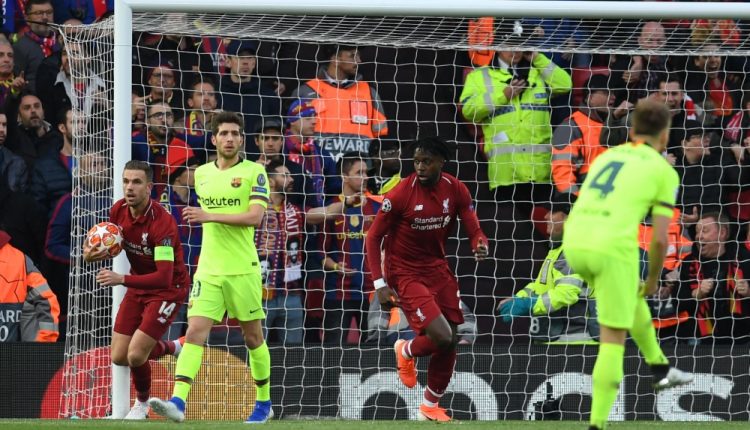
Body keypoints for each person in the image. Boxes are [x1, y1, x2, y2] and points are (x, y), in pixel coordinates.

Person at [562, 100, 693, 430]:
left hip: (574, 240)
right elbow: (660, 239)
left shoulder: (609, 156)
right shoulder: (663, 171)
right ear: (666, 136)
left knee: (630, 294)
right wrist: (654, 278)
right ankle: (597, 425)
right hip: (610, 248)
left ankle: (660, 367)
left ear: (632, 130)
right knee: (613, 341)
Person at [148, 111, 274, 424]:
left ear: (242, 139)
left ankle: (264, 403)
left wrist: (209, 216)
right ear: (214, 139)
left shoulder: (255, 172)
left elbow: (255, 217)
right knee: (194, 333)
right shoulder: (202, 174)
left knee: (253, 338)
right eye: (224, 133)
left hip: (243, 268)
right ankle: (178, 401)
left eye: (235, 133)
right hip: (208, 269)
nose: (230, 138)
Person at [364, 136, 489, 422]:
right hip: (405, 272)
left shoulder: (455, 189)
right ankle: (405, 349)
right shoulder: (400, 194)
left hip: (437, 268)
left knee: (451, 339)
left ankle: (429, 407)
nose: (419, 167)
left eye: (426, 161)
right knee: (442, 336)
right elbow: (373, 238)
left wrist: (480, 244)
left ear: (441, 162)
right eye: (416, 161)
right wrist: (380, 284)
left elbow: (474, 229)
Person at [83, 160, 190, 420]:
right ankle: (173, 347)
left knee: (135, 355)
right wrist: (91, 255)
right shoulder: (118, 210)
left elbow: (163, 277)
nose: (129, 187)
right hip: (138, 285)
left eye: (137, 182)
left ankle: (142, 405)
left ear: (149, 187)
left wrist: (121, 279)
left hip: (168, 290)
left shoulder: (162, 223)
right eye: (126, 181)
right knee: (120, 356)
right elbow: (113, 245)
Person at [498, 205, 599, 343]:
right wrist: (519, 298)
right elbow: (541, 286)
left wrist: (527, 304)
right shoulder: (558, 250)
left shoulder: (574, 251)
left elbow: (566, 294)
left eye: (553, 211)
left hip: (572, 343)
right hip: (555, 339)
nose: (546, 216)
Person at [0, 228, 60, 342]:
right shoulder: (19, 259)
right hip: (13, 350)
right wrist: (43, 344)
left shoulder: (19, 261)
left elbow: (45, 300)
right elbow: (46, 300)